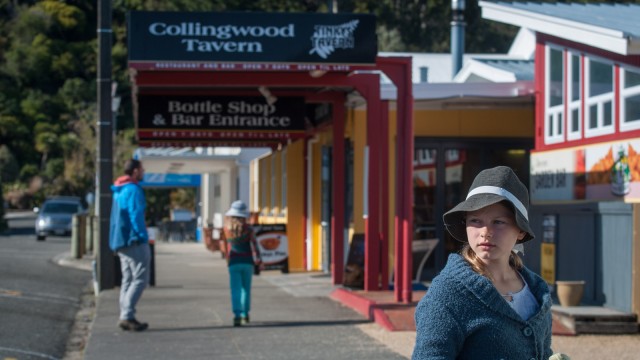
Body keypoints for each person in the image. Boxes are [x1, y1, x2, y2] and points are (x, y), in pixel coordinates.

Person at [412, 166, 554, 359]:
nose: (485, 232)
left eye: (498, 222)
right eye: (476, 221)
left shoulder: (537, 291)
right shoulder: (447, 294)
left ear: (521, 231)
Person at [109, 159, 150, 332]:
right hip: (133, 240)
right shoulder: (133, 190)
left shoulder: (119, 190)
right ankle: (127, 315)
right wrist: (142, 237)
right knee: (140, 278)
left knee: (127, 279)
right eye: (141, 169)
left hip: (119, 241)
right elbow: (136, 216)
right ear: (135, 171)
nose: (143, 172)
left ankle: (125, 315)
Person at [218, 200, 263, 327]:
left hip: (234, 262)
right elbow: (255, 246)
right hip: (248, 262)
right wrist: (259, 261)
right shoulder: (248, 229)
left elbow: (225, 248)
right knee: (246, 289)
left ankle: (237, 315)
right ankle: (245, 314)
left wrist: (228, 261)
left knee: (235, 290)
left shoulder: (226, 229)